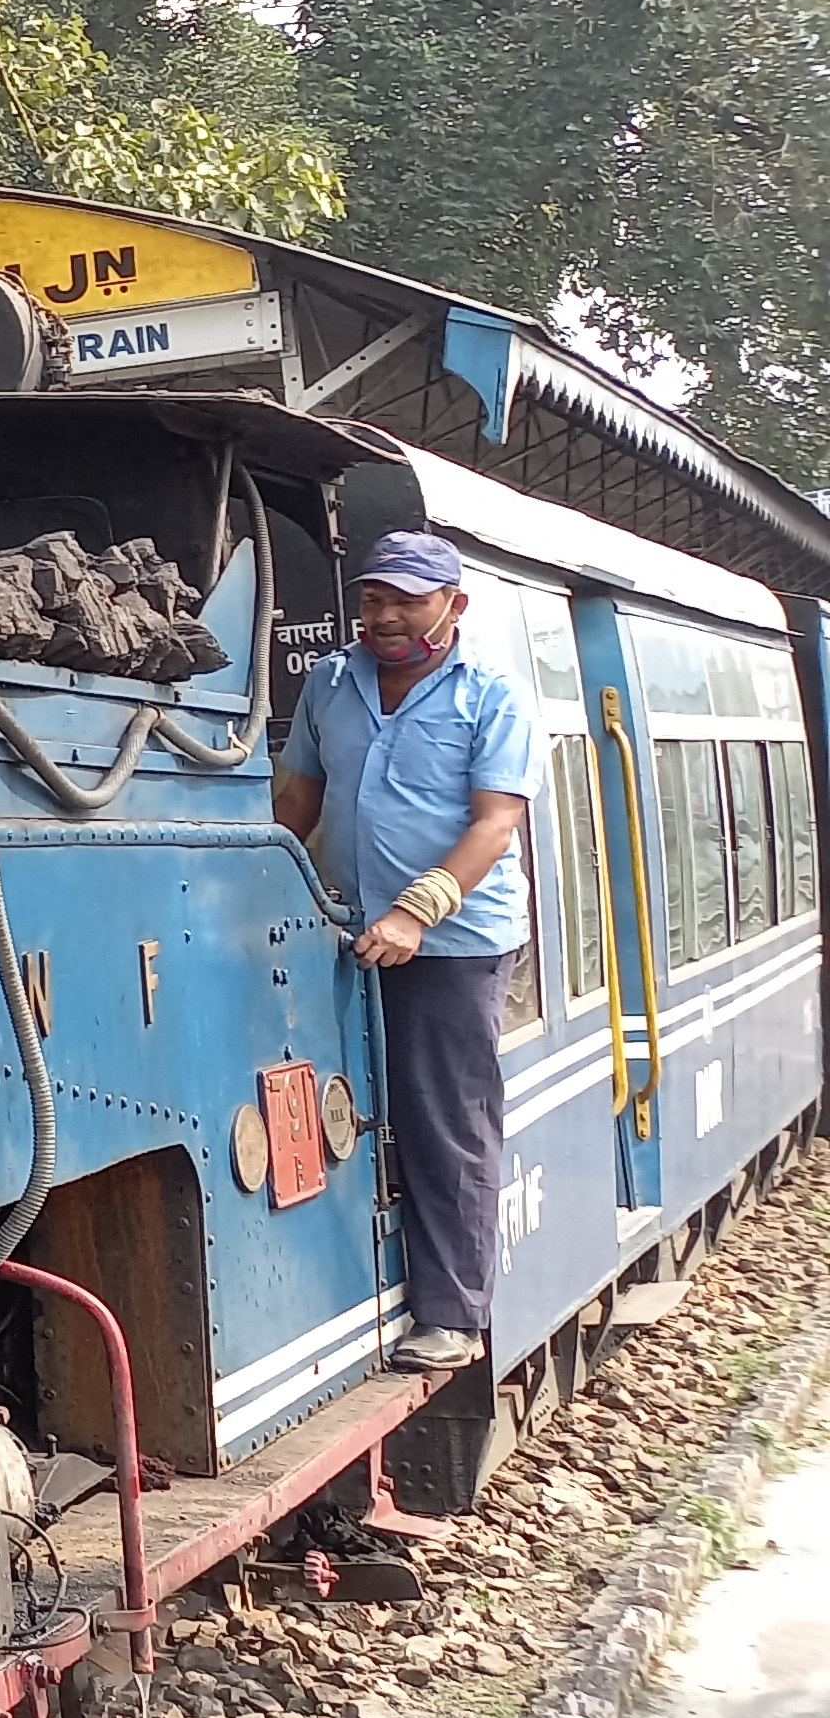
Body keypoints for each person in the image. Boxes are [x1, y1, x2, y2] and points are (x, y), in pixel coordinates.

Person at [271, 529, 540, 1373]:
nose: (385, 618)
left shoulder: (490, 696)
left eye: (408, 602)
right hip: (345, 926)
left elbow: (495, 822)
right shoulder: (329, 683)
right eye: (374, 600)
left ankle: (452, 1315)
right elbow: (297, 798)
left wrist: (419, 911)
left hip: (453, 942)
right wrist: (247, 883)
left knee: (442, 1120)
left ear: (453, 607)